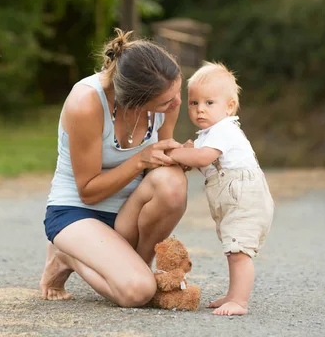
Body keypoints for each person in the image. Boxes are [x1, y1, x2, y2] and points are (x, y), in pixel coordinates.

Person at [39, 28, 189, 308]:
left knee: (173, 181)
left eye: (178, 92)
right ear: (135, 102)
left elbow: (159, 170)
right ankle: (65, 255)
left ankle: (138, 264)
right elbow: (87, 192)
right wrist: (141, 160)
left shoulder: (167, 100)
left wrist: (179, 159)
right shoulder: (86, 103)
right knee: (137, 293)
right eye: (167, 101)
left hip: (127, 213)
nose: (177, 104)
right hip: (78, 211)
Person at [166, 62, 275, 316]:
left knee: (239, 252)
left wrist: (175, 153)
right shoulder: (210, 133)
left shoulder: (224, 129)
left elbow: (203, 158)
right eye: (194, 103)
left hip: (244, 197)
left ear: (229, 107)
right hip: (234, 198)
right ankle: (233, 294)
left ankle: (240, 301)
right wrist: (186, 154)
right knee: (232, 249)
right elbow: (201, 158)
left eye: (209, 103)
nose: (200, 109)